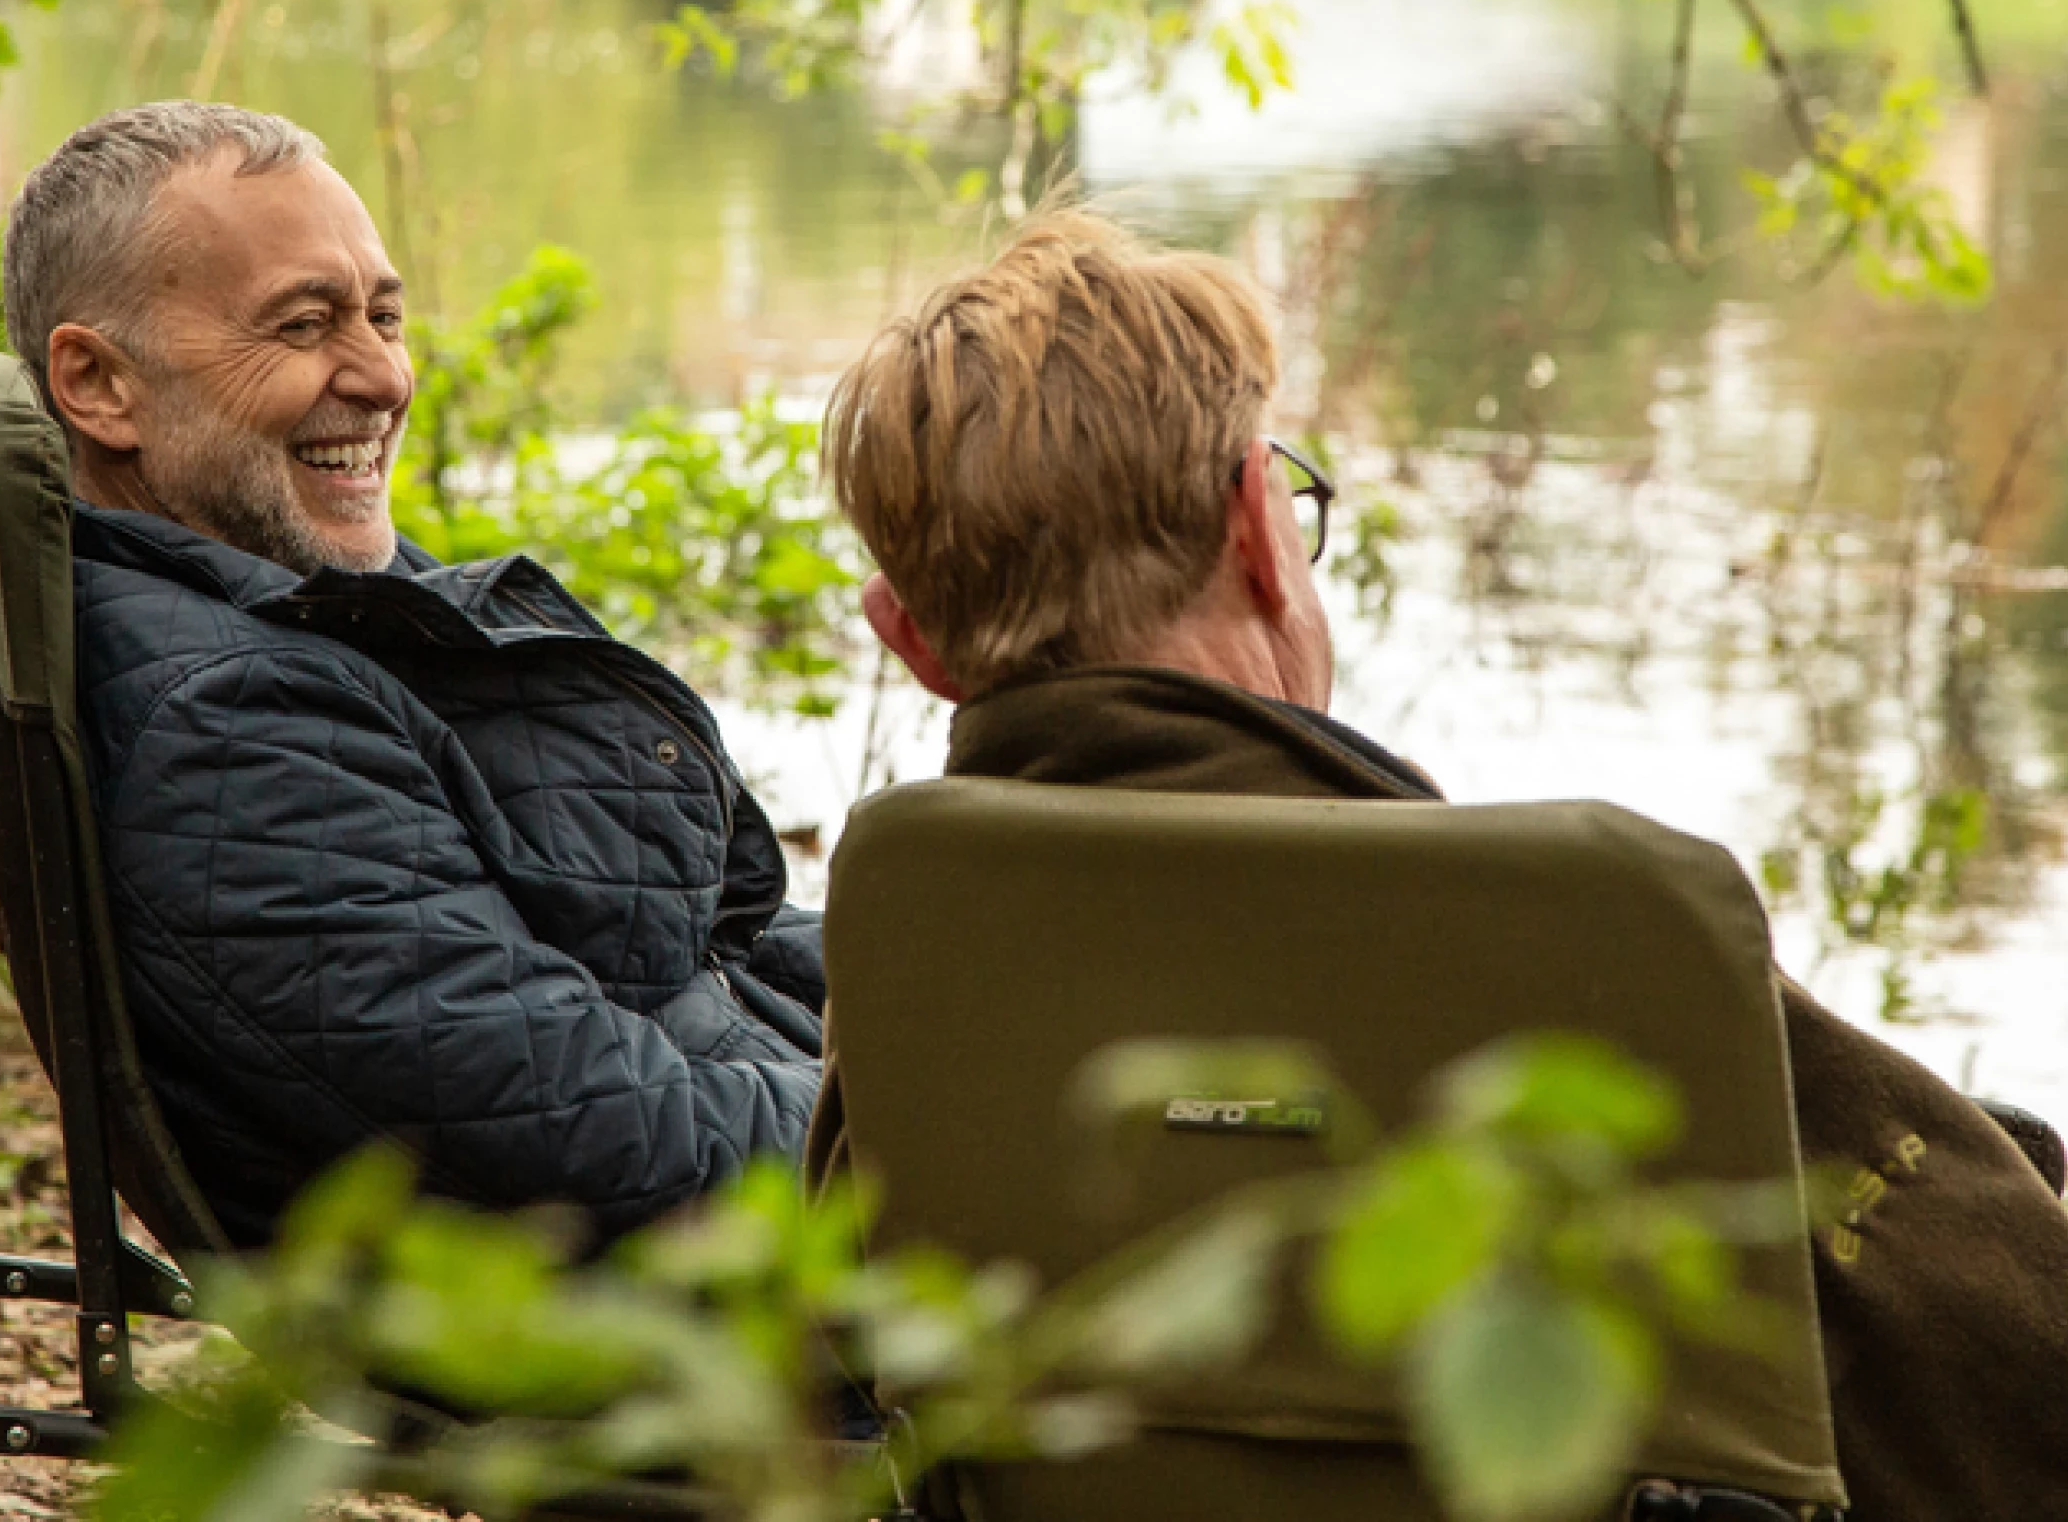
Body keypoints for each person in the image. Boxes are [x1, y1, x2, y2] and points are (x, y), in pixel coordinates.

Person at [808, 208, 2068, 1521]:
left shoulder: (912, 955)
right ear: (1255, 525)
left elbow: (856, 1341)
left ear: (909, 640)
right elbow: (2019, 1366)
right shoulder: (1594, 928)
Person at [0, 100, 821, 1247]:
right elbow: (617, 1142)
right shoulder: (233, 746)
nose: (382, 377)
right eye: (301, 327)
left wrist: (952, 978)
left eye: (384, 316)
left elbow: (685, 948)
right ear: (97, 385)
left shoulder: (287, 602)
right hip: (683, 1315)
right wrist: (960, 1123)